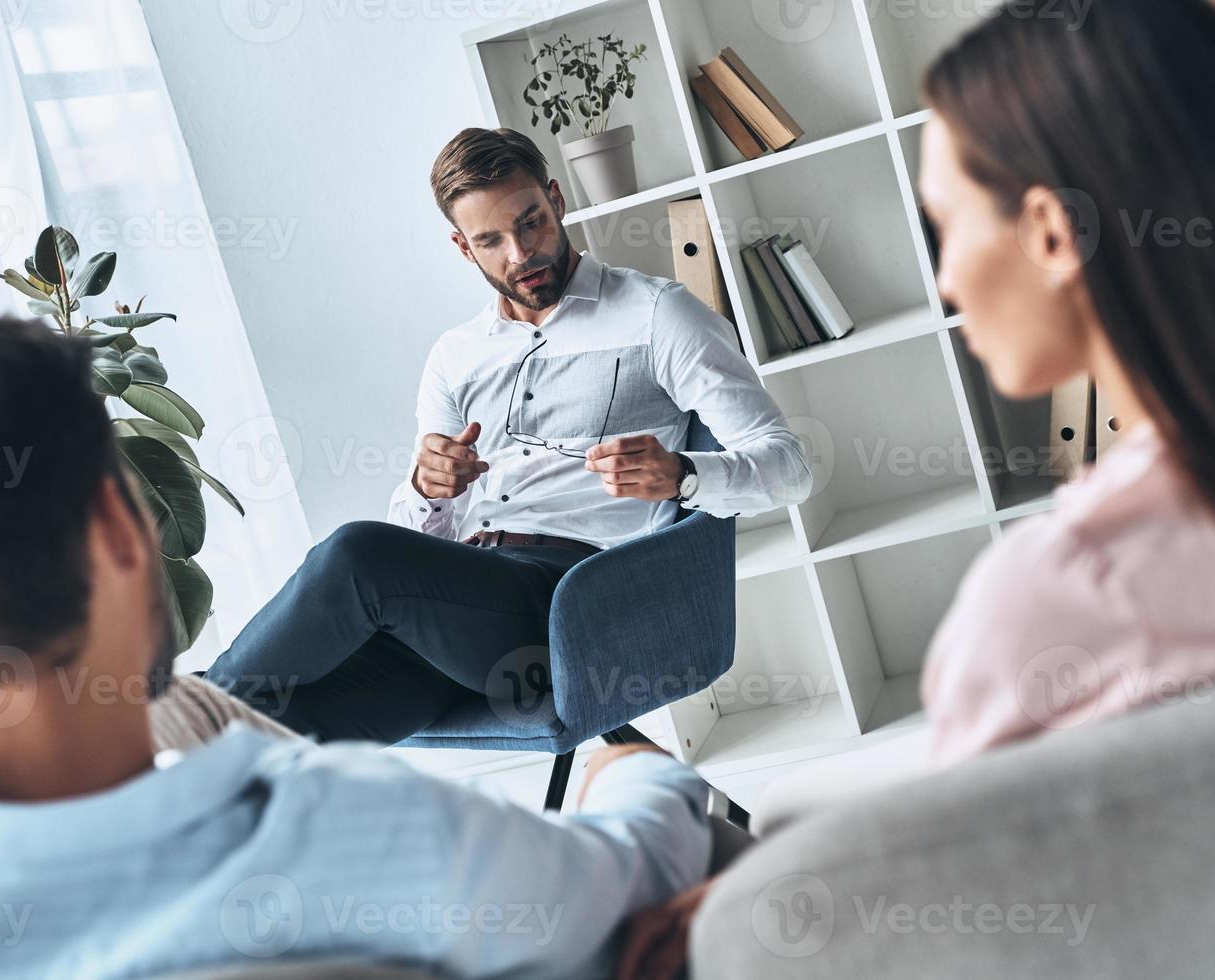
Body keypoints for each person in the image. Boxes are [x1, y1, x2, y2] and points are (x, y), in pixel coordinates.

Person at [618, 0, 1215, 974]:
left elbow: (952, 868)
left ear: (1050, 232)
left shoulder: (1068, 586)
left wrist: (741, 907)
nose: (945, 280)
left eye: (945, 225)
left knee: (642, 791)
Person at [0, 315, 712, 979]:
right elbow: (631, 880)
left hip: (562, 594)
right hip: (465, 611)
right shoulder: (361, 827)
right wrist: (639, 772)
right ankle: (222, 700)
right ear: (122, 531)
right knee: (343, 584)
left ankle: (221, 700)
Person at [205, 127, 811, 744]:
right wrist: (426, 488)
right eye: (490, 240)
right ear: (463, 248)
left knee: (354, 554)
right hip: (462, 614)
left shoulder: (657, 314)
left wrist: (683, 476)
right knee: (277, 728)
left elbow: (790, 468)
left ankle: (190, 710)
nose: (520, 255)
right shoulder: (455, 356)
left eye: (531, 223)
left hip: (571, 612)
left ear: (556, 198)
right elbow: (418, 536)